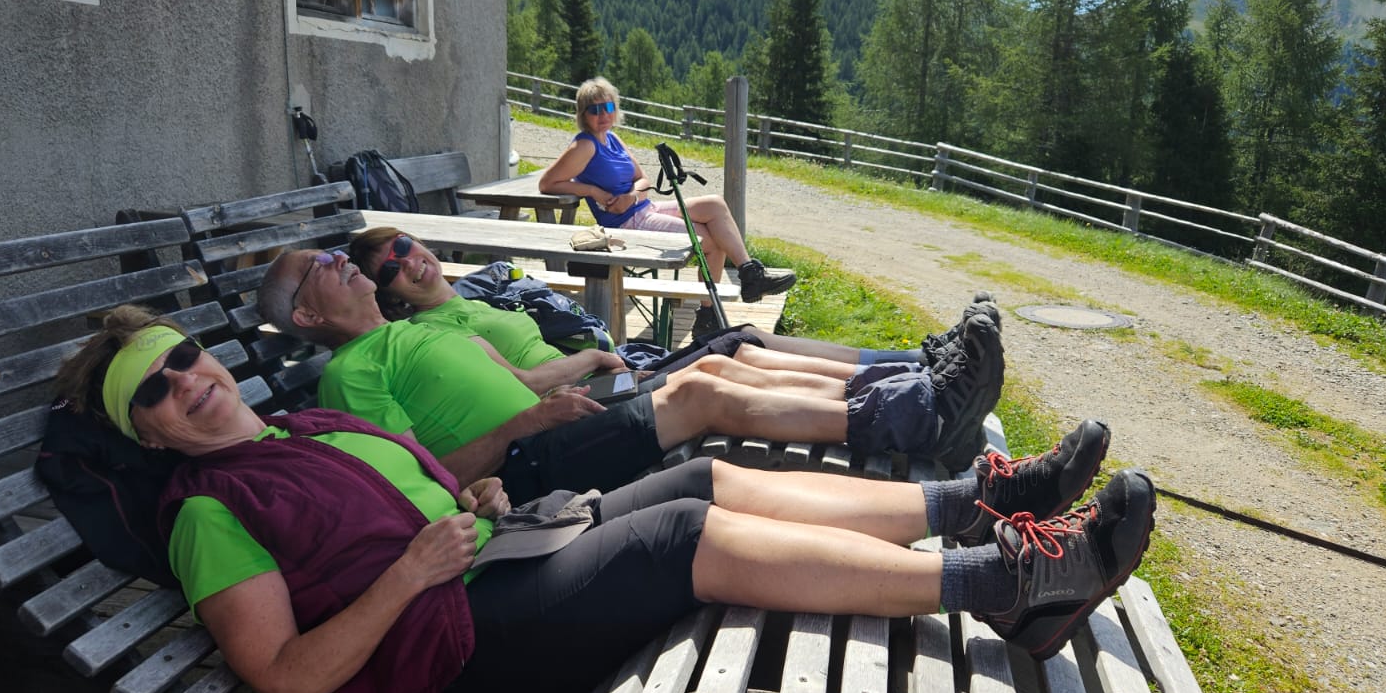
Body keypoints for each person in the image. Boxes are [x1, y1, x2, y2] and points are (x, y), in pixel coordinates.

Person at [55, 305, 1153, 693]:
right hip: (449, 669)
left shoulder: (310, 426)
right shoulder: (208, 514)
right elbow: (286, 680)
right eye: (152, 392)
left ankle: (970, 506)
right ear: (147, 432)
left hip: (487, 572)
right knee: (682, 535)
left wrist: (469, 504)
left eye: (181, 356)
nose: (183, 382)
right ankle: (1003, 584)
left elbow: (420, 512)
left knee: (705, 471)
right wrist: (409, 574)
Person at [258, 247, 1006, 502]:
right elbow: (416, 482)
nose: (338, 258)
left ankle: (920, 392)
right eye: (319, 266)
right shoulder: (351, 375)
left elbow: (516, 382)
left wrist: (565, 385)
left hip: (556, 422)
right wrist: (529, 421)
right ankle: (925, 416)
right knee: (706, 385)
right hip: (519, 472)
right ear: (309, 317)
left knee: (722, 363)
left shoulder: (421, 330)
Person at [342, 225, 989, 396]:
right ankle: (912, 377)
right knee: (737, 349)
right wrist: (593, 361)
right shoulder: (428, 332)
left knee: (741, 339)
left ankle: (914, 362)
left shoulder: (483, 291)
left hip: (613, 369)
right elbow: (514, 386)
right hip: (593, 392)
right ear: (389, 294)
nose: (409, 261)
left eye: (405, 245)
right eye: (390, 267)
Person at [538, 76, 797, 339]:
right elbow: (547, 183)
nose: (603, 115)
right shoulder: (583, 145)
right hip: (625, 223)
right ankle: (709, 315)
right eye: (594, 110)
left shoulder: (612, 138)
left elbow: (643, 179)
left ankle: (749, 273)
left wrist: (632, 196)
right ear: (583, 114)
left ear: (615, 108)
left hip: (643, 208)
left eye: (608, 107)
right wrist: (592, 191)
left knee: (715, 204)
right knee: (710, 242)